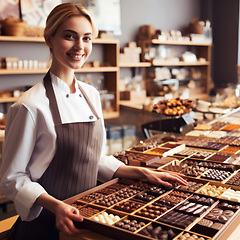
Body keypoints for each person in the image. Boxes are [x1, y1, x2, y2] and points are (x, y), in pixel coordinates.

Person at [0, 2, 187, 240]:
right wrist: (57, 206)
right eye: (70, 36)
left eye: (87, 38)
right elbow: (12, 179)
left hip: (87, 216)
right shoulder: (30, 105)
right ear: (49, 39)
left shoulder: (91, 95)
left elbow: (93, 159)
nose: (80, 46)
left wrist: (141, 172)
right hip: (47, 223)